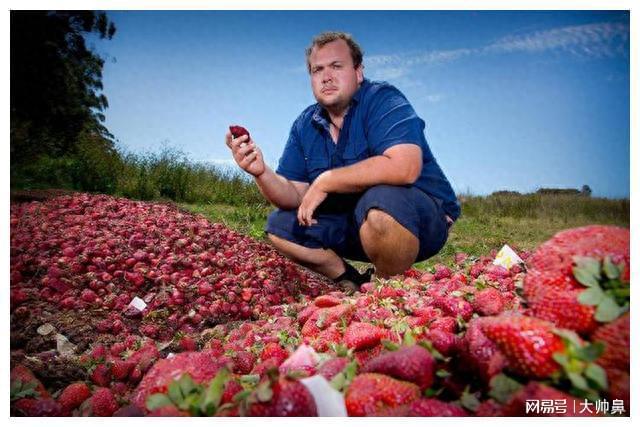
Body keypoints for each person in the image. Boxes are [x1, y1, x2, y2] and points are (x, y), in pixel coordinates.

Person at [225, 31, 460, 291]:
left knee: (382, 200)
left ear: (358, 72)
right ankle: (349, 280)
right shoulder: (305, 124)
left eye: (337, 66)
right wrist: (261, 172)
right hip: (354, 224)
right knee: (280, 225)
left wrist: (327, 181)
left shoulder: (383, 100)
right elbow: (294, 195)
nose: (326, 77)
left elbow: (404, 167)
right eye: (317, 70)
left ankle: (387, 291)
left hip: (417, 222)